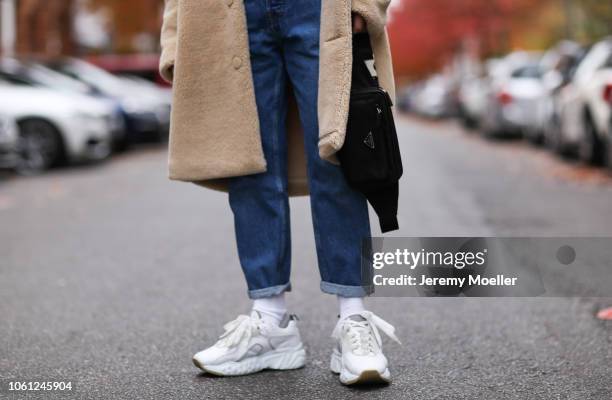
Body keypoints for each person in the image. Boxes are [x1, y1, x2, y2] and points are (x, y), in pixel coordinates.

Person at [159, 0, 399, 385]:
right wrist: (175, 37)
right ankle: (271, 321)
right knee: (249, 162)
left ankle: (353, 317)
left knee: (338, 155)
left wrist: (366, 4)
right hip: (226, 12)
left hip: (319, 8)